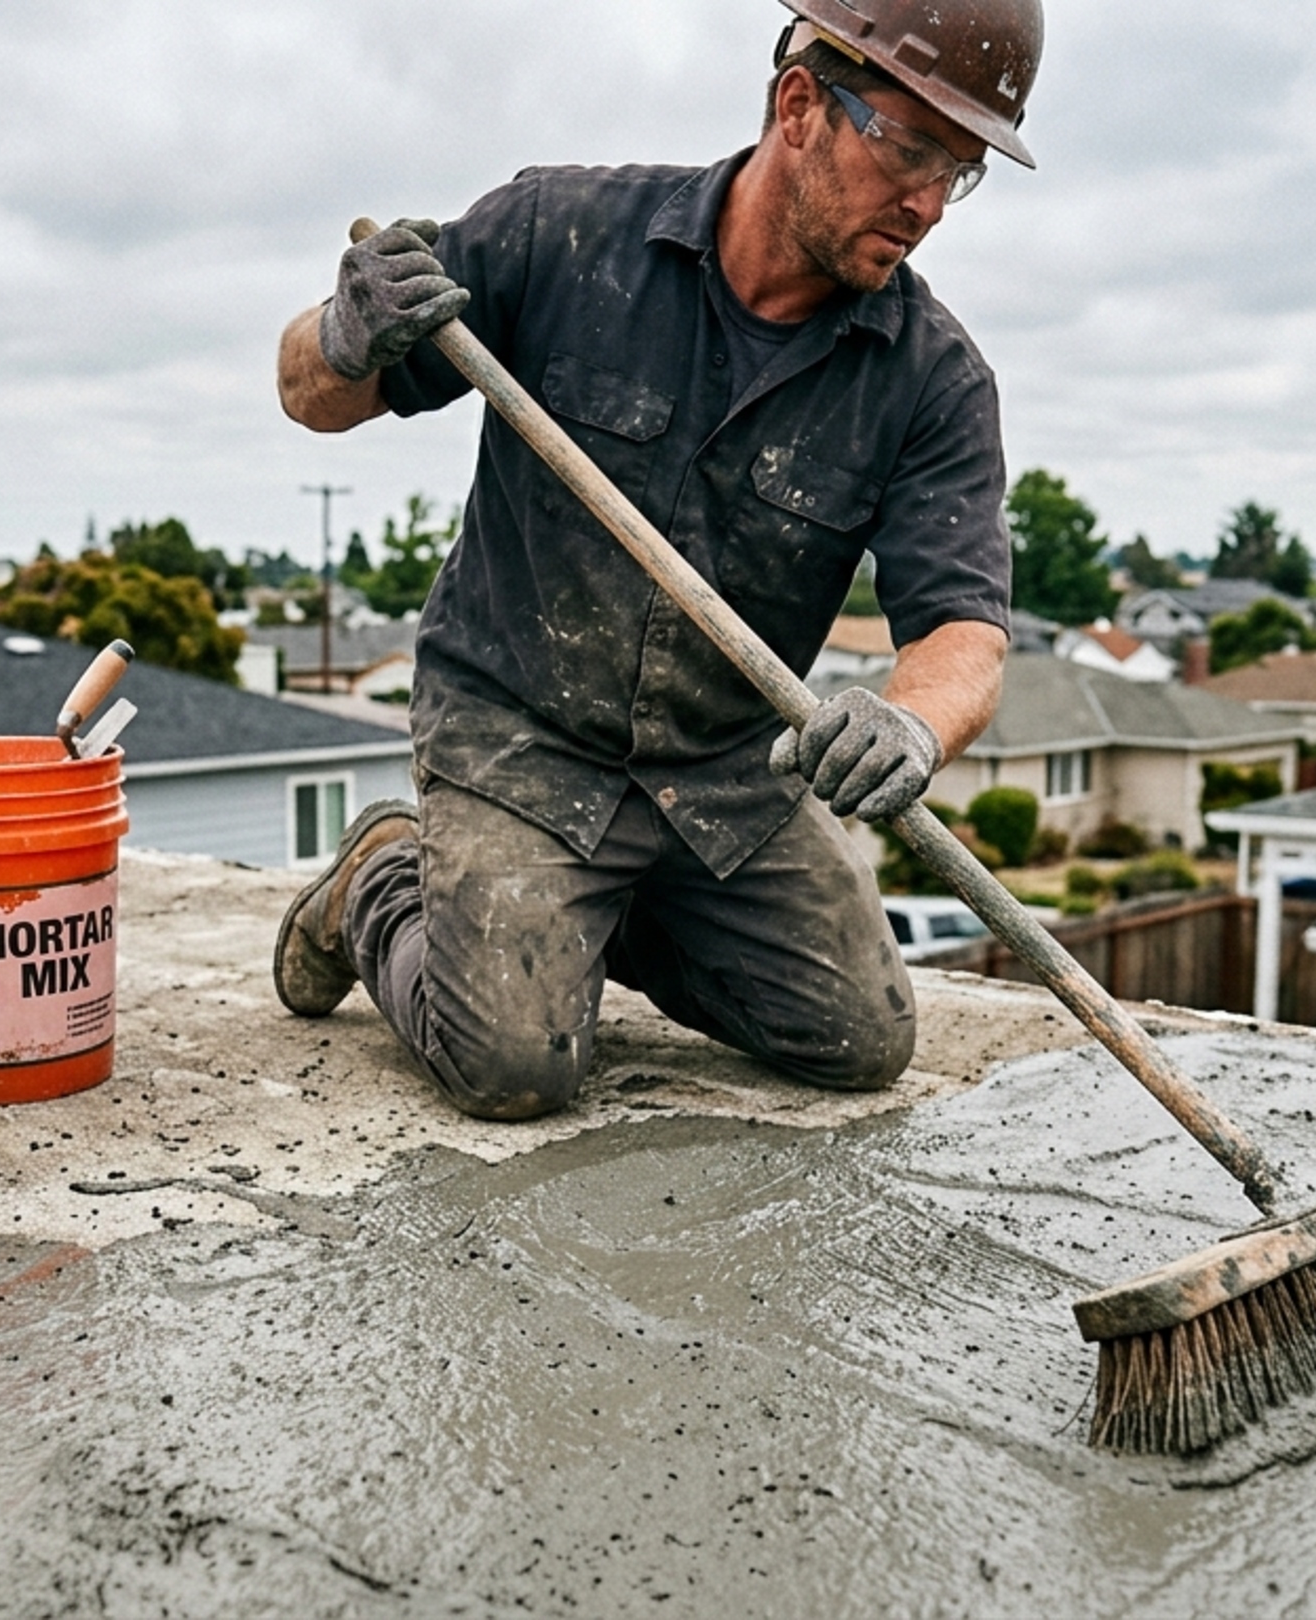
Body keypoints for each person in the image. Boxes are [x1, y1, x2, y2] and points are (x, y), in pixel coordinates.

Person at [270, 0, 1043, 1120]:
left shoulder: (930, 379)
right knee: (516, 1068)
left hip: (724, 772)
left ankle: (577, 917)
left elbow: (964, 635)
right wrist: (345, 334)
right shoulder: (562, 236)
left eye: (959, 170)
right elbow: (309, 396)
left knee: (857, 1039)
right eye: (910, 148)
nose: (927, 203)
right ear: (800, 107)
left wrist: (912, 721)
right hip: (520, 744)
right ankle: (382, 881)